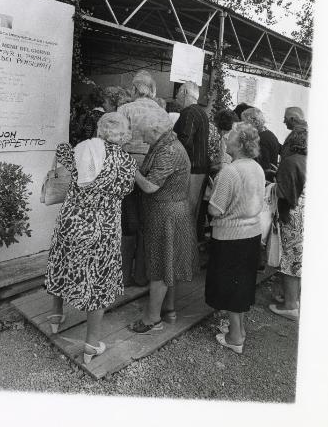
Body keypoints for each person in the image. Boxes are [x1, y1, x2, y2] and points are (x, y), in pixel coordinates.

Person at [45, 112, 137, 364]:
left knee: (62, 264)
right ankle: (91, 344)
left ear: (100, 129)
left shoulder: (81, 149)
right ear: (124, 135)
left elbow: (62, 155)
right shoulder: (128, 162)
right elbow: (126, 191)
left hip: (72, 220)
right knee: (99, 280)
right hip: (104, 228)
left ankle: (55, 316)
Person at [130, 110, 198, 332]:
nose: (141, 138)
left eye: (144, 134)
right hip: (169, 212)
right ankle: (169, 310)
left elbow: (150, 186)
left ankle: (152, 319)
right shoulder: (164, 144)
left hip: (166, 214)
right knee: (168, 264)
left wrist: (131, 170)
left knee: (160, 267)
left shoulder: (168, 150)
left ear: (156, 130)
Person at [205, 122, 265, 354]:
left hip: (231, 235)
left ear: (239, 144)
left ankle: (236, 337)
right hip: (252, 233)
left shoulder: (230, 171)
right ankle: (236, 329)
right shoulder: (256, 168)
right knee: (242, 284)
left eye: (230, 137)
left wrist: (211, 194)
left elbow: (215, 210)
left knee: (231, 286)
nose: (226, 139)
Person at [118, 71, 170, 285]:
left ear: (134, 88)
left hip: (128, 171)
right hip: (153, 173)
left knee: (127, 223)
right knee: (145, 223)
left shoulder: (124, 109)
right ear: (152, 89)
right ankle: (141, 275)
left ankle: (123, 277)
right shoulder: (163, 114)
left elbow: (117, 142)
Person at [269, 128, 307, 321]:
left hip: (292, 218)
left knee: (290, 261)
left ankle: (290, 305)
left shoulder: (290, 161)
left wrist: (275, 184)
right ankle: (295, 300)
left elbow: (283, 194)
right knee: (299, 261)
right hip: (306, 217)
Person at [173, 81, 209, 241]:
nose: (176, 97)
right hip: (199, 167)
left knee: (185, 212)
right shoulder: (201, 112)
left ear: (186, 92)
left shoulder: (189, 112)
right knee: (192, 213)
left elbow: (184, 140)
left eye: (178, 93)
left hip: (191, 169)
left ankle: (183, 250)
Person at [241, 107, 281, 180]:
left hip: (263, 181)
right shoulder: (269, 134)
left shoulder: (261, 139)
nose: (243, 126)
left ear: (254, 122)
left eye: (245, 123)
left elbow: (264, 168)